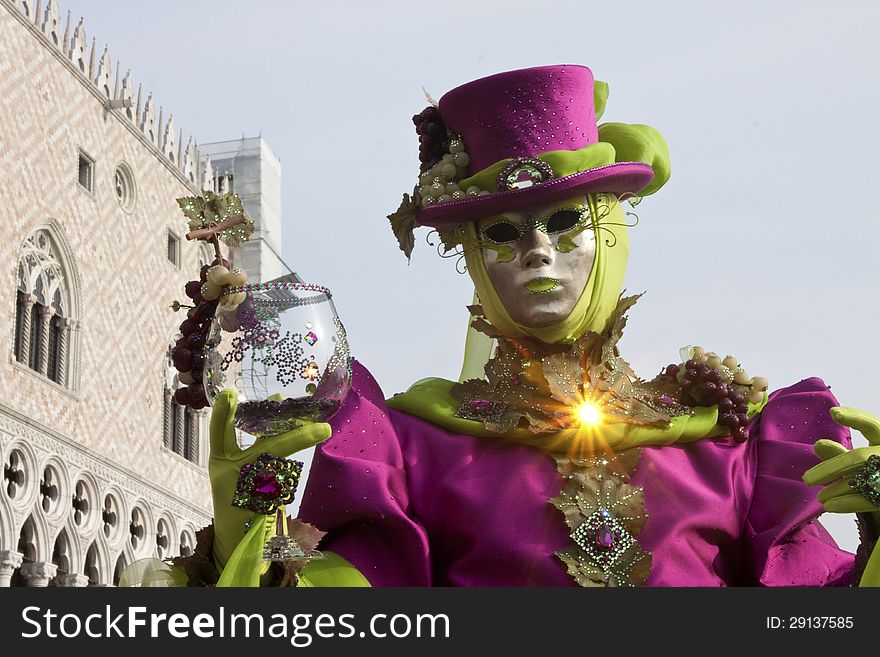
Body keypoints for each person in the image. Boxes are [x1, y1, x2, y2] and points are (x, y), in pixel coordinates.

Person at [202, 64, 880, 587]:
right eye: (501, 233)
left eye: (564, 221)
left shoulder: (734, 447)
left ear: (610, 231)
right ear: (471, 258)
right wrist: (248, 515)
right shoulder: (414, 452)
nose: (536, 251)